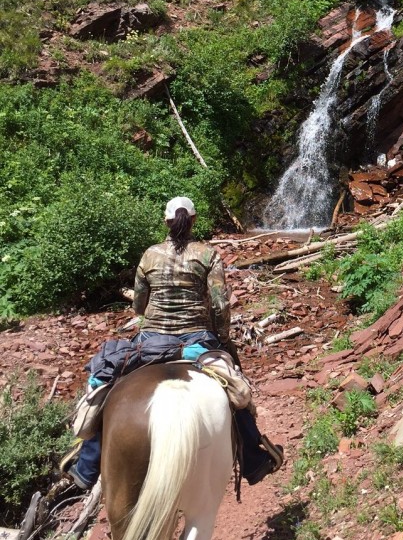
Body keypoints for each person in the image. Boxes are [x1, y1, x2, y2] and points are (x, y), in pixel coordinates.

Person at [52, 196, 281, 495]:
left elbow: (138, 306)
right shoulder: (207, 254)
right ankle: (254, 458)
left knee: (107, 384)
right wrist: (223, 337)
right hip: (197, 338)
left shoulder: (150, 255)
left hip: (151, 340)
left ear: (167, 222)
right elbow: (220, 303)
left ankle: (85, 467)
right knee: (233, 387)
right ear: (193, 220)